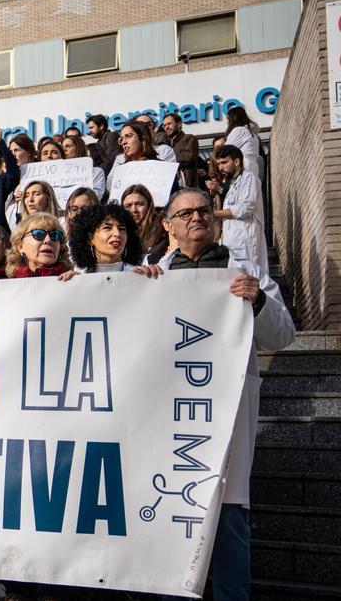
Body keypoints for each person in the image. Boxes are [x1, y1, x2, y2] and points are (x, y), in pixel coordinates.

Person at [135, 189, 294, 600]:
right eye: (185, 213)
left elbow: (283, 336)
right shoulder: (152, 277)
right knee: (169, 518)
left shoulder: (245, 271)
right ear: (168, 225)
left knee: (229, 519)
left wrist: (258, 300)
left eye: (204, 210)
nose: (197, 218)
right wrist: (136, 292)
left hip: (225, 411)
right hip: (170, 417)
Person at [211, 144, 268, 272]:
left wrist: (214, 213)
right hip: (233, 242)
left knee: (249, 275)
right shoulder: (233, 183)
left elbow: (245, 208)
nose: (220, 167)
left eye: (224, 162)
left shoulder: (249, 177)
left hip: (246, 240)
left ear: (236, 161)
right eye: (218, 164)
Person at [68, 204, 142, 273]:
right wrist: (70, 281)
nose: (117, 233)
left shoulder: (139, 274)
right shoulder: (79, 276)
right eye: (107, 228)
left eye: (121, 229)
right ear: (90, 238)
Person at [6, 213, 77, 280]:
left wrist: (77, 281)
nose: (48, 240)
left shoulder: (75, 280)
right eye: (38, 234)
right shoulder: (6, 285)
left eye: (55, 235)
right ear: (20, 246)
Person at [120, 184, 168, 254]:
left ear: (149, 205)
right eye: (128, 206)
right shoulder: (120, 230)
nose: (134, 210)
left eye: (139, 204)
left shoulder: (163, 229)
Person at [224, 106, 263, 180]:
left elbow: (224, 151)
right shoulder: (253, 134)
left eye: (228, 119)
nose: (227, 122)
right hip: (252, 170)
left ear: (234, 119)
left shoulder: (239, 130)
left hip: (243, 170)